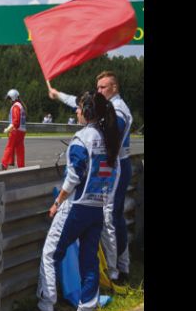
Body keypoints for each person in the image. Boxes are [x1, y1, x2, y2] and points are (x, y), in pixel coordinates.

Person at [24, 90, 121, 311]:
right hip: (97, 208)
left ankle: (45, 308)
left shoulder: (82, 138)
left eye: (79, 108)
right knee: (88, 261)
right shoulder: (108, 139)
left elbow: (73, 178)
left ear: (87, 112)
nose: (76, 111)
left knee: (49, 253)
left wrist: (57, 202)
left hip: (75, 208)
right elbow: (113, 176)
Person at [49, 71, 134, 285]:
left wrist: (91, 140)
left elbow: (110, 138)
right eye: (98, 88)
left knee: (110, 219)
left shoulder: (119, 111)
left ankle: (117, 272)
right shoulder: (105, 106)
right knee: (110, 218)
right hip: (110, 164)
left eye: (103, 87)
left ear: (114, 87)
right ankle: (119, 267)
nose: (99, 91)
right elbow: (80, 103)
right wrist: (58, 94)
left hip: (114, 166)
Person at [0, 89, 27, 171]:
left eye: (9, 99)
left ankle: (3, 165)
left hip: (15, 131)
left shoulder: (16, 106)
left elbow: (16, 121)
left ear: (13, 98)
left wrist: (7, 129)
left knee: (9, 147)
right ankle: (21, 167)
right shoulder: (21, 106)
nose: (9, 101)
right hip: (22, 131)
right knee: (20, 150)